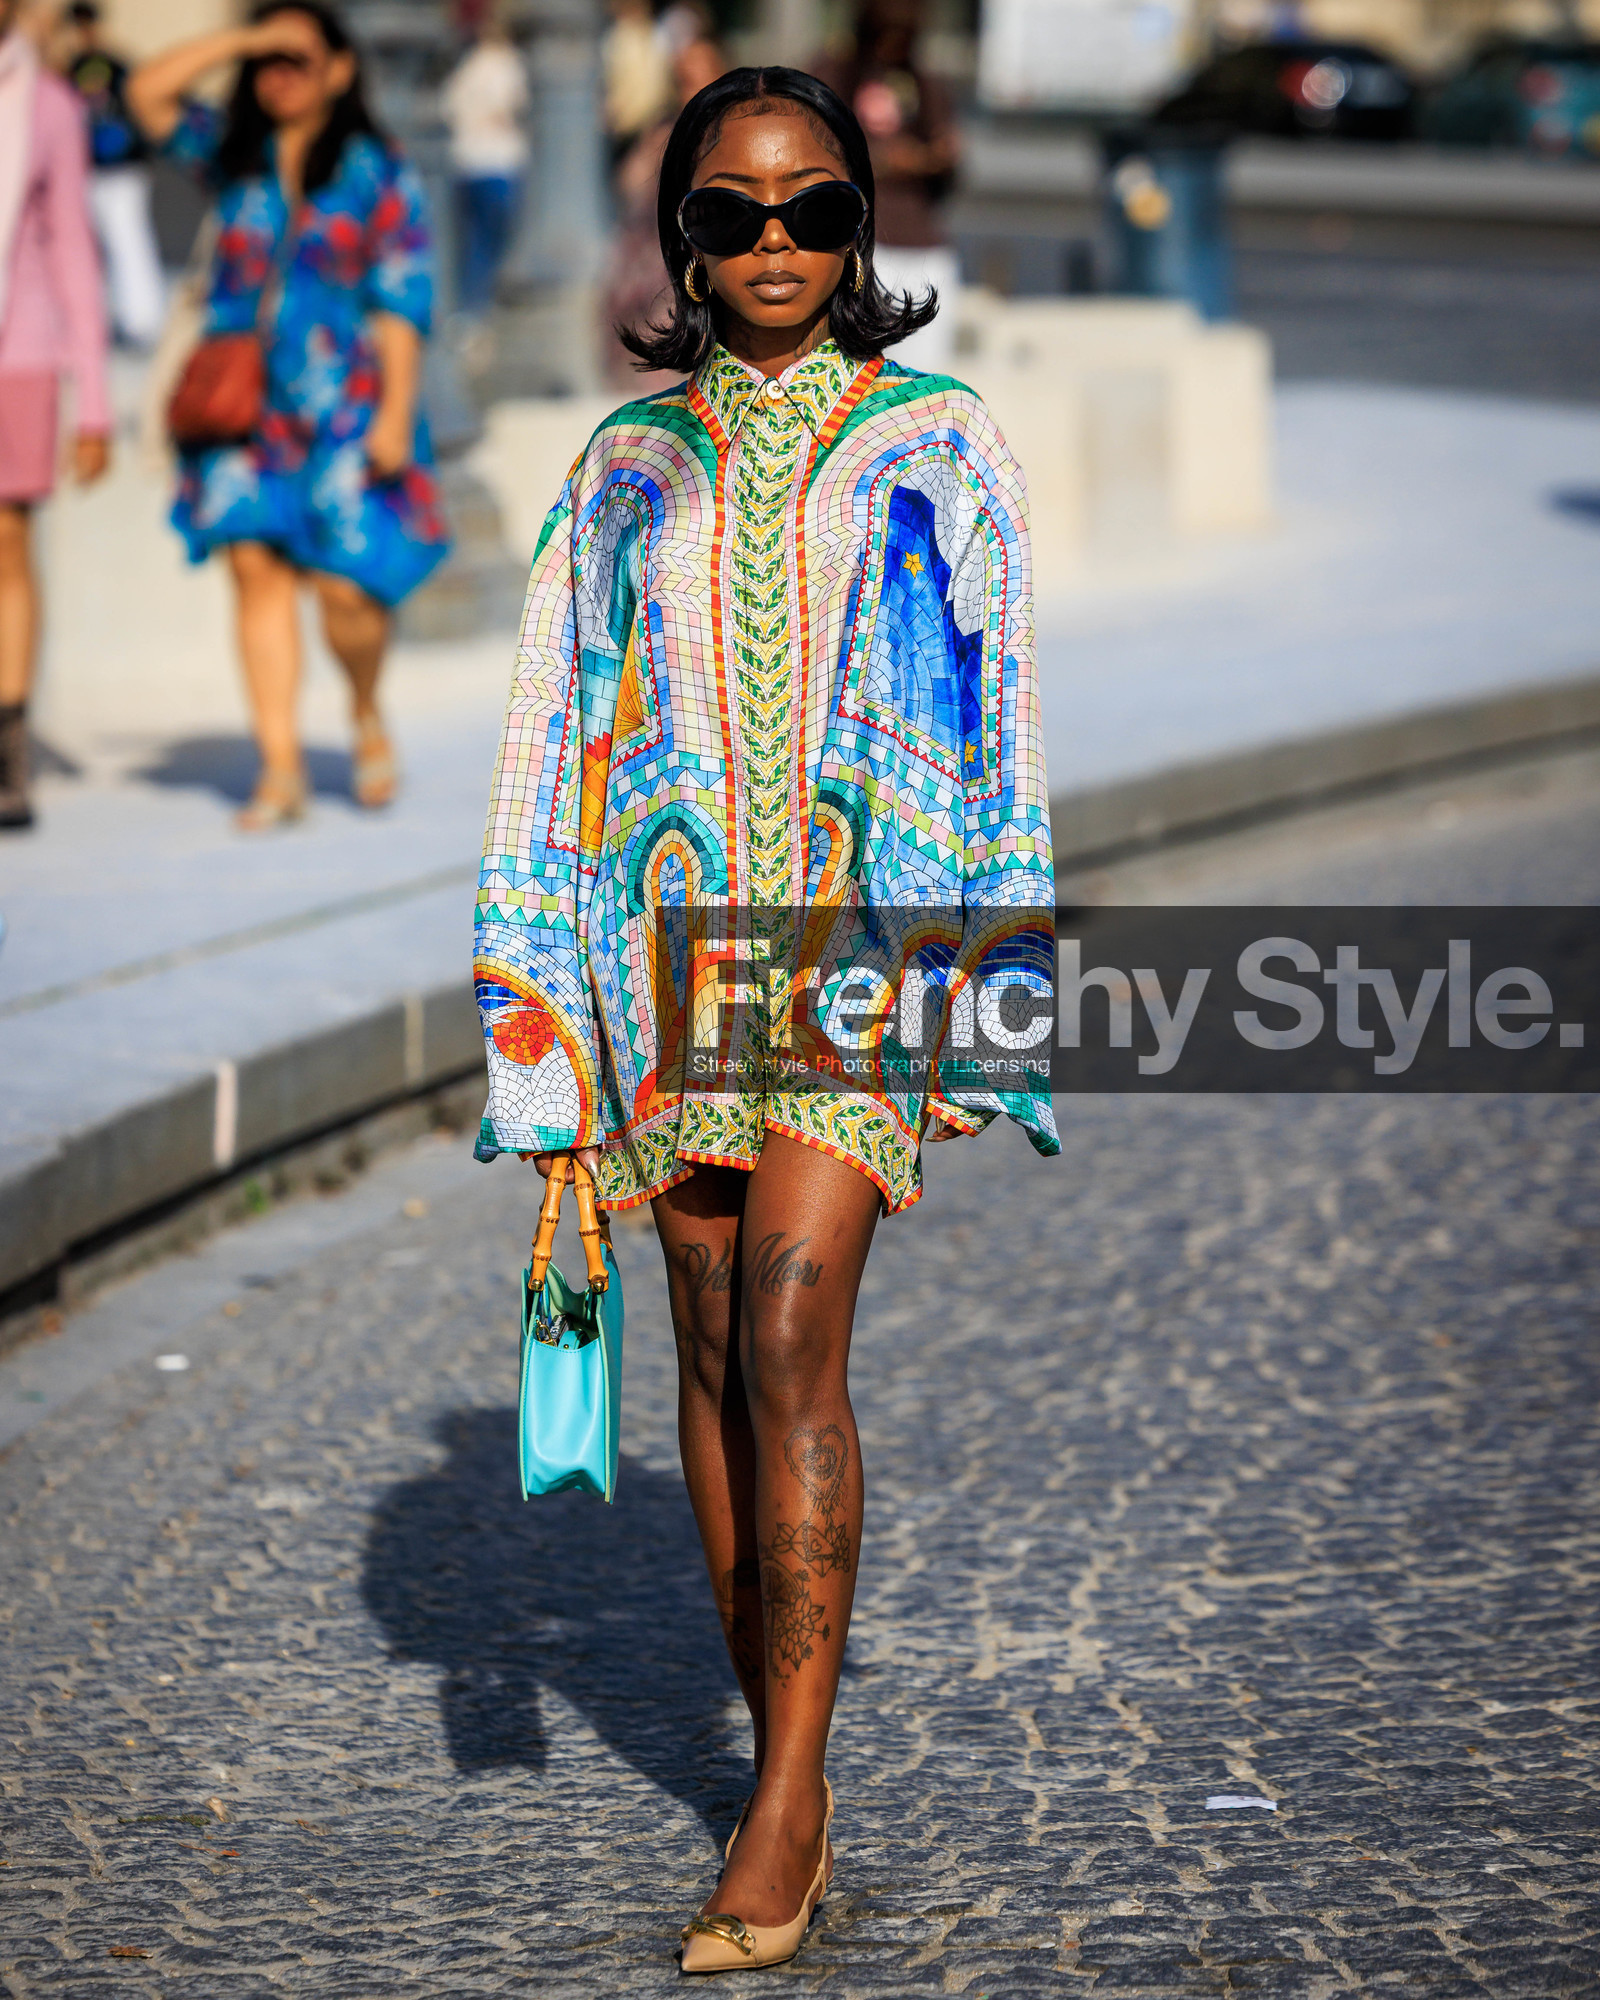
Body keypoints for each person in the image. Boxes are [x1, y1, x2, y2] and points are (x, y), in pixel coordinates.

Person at [473, 66, 1057, 1971]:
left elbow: (1000, 729)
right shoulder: (621, 469)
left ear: (862, 226)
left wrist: (993, 998)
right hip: (660, 950)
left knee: (796, 1323)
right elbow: (550, 749)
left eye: (814, 209)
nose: (778, 245)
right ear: (679, 241)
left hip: (859, 944)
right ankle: (772, 1741)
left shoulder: (939, 444)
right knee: (716, 1342)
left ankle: (785, 1801)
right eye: (732, 215)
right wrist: (535, 1033)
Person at [128, 2, 450, 831]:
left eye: (298, 58)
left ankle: (366, 705)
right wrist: (245, 37)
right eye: (267, 61)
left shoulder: (377, 168)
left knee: (347, 587)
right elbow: (145, 95)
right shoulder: (231, 154)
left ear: (340, 70)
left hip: (345, 399)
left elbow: (403, 294)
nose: (279, 73)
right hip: (241, 400)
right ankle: (280, 767)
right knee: (252, 570)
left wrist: (397, 416)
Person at [0, 0, 111, 831]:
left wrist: (96, 405)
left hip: (21, 352)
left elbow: (73, 245)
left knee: (7, 540)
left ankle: (8, 749)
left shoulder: (47, 104)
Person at [816, 0, 959, 372]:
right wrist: (884, 160)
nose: (893, 45)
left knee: (921, 385)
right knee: (863, 377)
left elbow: (947, 156)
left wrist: (925, 159)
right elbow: (817, 150)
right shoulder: (836, 71)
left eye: (904, 35)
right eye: (886, 33)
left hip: (921, 244)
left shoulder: (923, 80)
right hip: (859, 245)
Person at [59, 0, 166, 349]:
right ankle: (110, 319)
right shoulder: (67, 68)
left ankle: (143, 320)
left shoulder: (118, 64)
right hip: (86, 171)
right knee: (91, 248)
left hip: (122, 169)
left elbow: (141, 110)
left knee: (129, 240)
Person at [440, 11, 527, 318]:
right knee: (496, 244)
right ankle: (486, 312)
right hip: (499, 164)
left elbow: (448, 108)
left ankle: (470, 311)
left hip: (465, 163)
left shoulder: (466, 66)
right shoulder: (508, 63)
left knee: (472, 245)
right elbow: (514, 106)